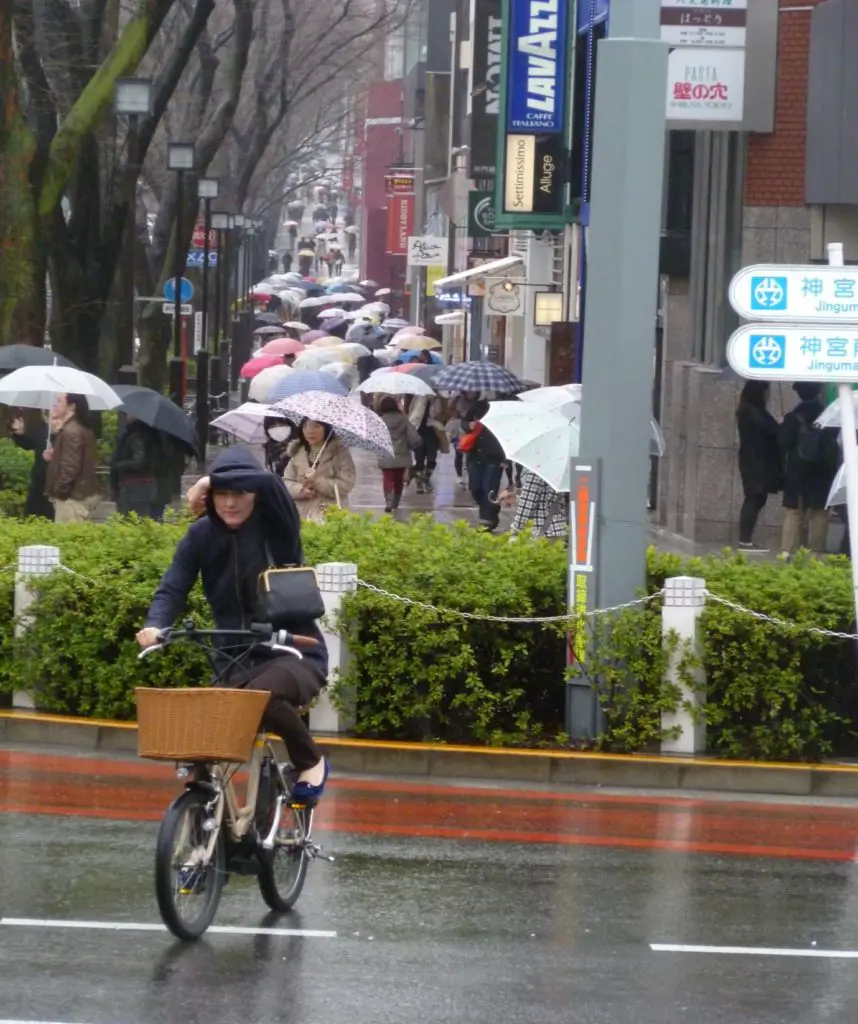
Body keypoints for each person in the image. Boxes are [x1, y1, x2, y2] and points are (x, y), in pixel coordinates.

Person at [138, 448, 329, 802]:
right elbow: (173, 587)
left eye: (238, 492)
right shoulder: (201, 535)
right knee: (204, 724)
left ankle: (312, 762)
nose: (229, 502)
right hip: (235, 660)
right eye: (221, 494)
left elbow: (272, 483)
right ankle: (204, 818)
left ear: (254, 494)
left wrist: (210, 480)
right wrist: (155, 626)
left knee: (258, 698)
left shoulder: (278, 527)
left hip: (293, 652)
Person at [779, 382, 838, 555]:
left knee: (794, 512)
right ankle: (817, 551)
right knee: (820, 512)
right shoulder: (830, 416)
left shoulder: (793, 417)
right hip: (823, 472)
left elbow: (783, 443)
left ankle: (788, 551)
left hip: (798, 471)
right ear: (819, 391)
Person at [736, 381, 782, 550]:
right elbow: (771, 429)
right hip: (755, 462)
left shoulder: (750, 410)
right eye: (766, 391)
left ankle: (745, 539)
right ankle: (745, 540)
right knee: (754, 497)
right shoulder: (752, 412)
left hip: (755, 460)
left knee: (757, 498)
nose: (768, 395)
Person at [283, 419, 356, 521]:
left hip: (330, 514)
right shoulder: (297, 452)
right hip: (301, 515)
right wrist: (301, 490)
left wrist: (317, 481)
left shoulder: (339, 453)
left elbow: (346, 484)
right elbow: (286, 482)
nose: (310, 431)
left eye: (316, 426)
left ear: (326, 428)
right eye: (306, 426)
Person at [44, 393, 99, 523]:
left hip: (72, 498)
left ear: (71, 406)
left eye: (59, 401)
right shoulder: (79, 428)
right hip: (78, 494)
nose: (54, 404)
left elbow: (71, 467)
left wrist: (60, 491)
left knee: (67, 539)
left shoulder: (71, 431)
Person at [460, 400, 505, 531]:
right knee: (475, 488)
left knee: (489, 489)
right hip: (474, 455)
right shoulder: (478, 405)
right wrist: (469, 426)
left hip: (494, 457)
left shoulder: (501, 408)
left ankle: (486, 520)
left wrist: (505, 459)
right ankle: (492, 508)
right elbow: (464, 422)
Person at [110, 416, 162, 518]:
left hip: (136, 486)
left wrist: (118, 465)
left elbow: (140, 462)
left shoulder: (138, 436)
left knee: (135, 520)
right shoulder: (145, 434)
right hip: (137, 485)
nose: (127, 415)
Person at [377, 397, 421, 513]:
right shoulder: (403, 419)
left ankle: (388, 503)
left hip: (386, 454)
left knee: (387, 478)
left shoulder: (380, 420)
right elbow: (413, 437)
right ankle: (395, 503)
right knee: (398, 480)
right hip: (401, 454)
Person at [10, 412, 54, 519]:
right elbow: (29, 443)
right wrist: (18, 434)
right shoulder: (44, 430)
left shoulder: (64, 433)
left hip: (53, 482)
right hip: (38, 481)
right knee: (32, 515)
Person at [506, 470, 567, 538]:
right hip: (558, 528)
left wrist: (515, 530)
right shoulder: (558, 469)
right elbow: (548, 499)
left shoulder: (537, 471)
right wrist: (517, 499)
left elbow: (526, 508)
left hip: (541, 532)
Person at [409, 393, 446, 494]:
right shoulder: (417, 397)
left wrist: (437, 401)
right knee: (419, 459)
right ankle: (419, 483)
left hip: (433, 432)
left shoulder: (438, 399)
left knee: (432, 458)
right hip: (418, 430)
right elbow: (411, 412)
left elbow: (441, 414)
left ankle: (426, 478)